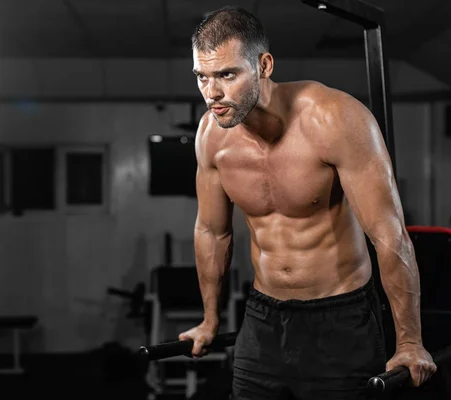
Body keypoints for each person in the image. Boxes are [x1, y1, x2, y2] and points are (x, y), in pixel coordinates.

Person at [178, 6, 436, 399]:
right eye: (202, 77)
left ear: (263, 65)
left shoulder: (334, 118)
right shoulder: (211, 135)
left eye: (227, 75)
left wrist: (409, 341)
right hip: (263, 316)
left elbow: (389, 235)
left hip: (341, 317)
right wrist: (209, 320)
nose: (212, 93)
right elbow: (212, 232)